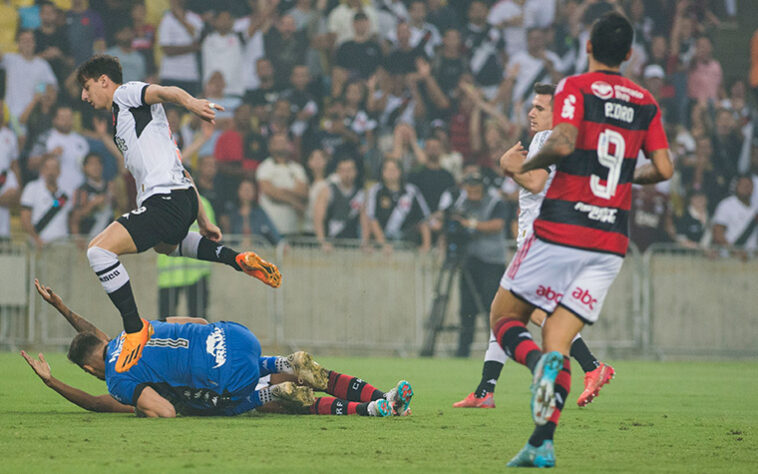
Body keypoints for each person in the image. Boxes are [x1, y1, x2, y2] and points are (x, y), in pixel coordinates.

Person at [496, 13, 672, 467]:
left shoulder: (574, 86)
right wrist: (618, 176)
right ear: (630, 54)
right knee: (557, 334)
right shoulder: (646, 101)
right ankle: (542, 443)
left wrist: (524, 165)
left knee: (504, 319)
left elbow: (567, 138)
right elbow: (665, 169)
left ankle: (539, 368)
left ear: (589, 46)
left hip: (561, 228)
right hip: (611, 240)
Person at [76, 55, 282, 374]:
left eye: (87, 88)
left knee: (98, 251)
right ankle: (236, 259)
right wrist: (203, 219)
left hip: (165, 200)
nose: (84, 97)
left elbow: (165, 91)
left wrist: (191, 102)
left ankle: (134, 329)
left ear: (104, 80)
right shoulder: (142, 124)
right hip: (183, 196)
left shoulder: (124, 94)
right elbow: (181, 168)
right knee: (166, 245)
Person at [23, 279, 413, 418]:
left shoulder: (120, 382)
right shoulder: (133, 330)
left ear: (92, 371)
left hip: (220, 379)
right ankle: (385, 399)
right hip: (232, 338)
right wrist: (62, 308)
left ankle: (367, 409)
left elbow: (159, 411)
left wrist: (51, 383)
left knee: (281, 398)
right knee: (302, 371)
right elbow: (191, 323)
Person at [454, 83, 615, 409]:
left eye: (540, 108)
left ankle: (592, 366)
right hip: (554, 239)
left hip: (539, 243)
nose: (531, 112)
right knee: (502, 313)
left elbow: (536, 181)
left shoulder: (546, 139)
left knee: (523, 315)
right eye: (532, 106)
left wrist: (506, 165)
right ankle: (486, 389)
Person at [366, 159, 431, 252]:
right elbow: (372, 219)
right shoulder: (375, 191)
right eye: (387, 169)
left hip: (409, 244)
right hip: (383, 245)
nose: (391, 172)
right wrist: (383, 244)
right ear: (382, 172)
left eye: (394, 169)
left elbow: (423, 219)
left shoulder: (412, 191)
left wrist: (426, 246)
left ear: (400, 171)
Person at [313, 154, 367, 251]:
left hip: (352, 244)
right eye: (343, 170)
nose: (346, 174)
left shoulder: (360, 193)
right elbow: (318, 218)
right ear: (337, 172)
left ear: (355, 172)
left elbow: (364, 220)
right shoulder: (328, 191)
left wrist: (365, 243)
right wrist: (322, 242)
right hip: (331, 243)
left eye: (349, 170)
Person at [20, 156, 72, 248]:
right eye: (47, 168)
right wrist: (36, 239)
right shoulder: (32, 188)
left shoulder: (65, 193)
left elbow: (70, 219)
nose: (51, 172)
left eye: (54, 168)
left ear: (59, 171)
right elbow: (25, 218)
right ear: (42, 171)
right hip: (39, 244)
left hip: (62, 244)